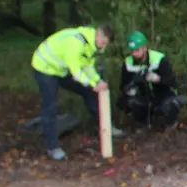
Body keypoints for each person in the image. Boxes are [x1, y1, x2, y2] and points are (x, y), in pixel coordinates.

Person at [31, 23, 120, 160]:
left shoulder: (92, 45)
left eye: (106, 44)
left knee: (90, 93)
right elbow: (76, 72)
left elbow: (87, 66)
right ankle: (53, 147)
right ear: (98, 35)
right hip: (45, 68)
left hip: (61, 69)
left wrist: (97, 81)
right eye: (103, 42)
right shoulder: (75, 43)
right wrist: (92, 85)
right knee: (51, 105)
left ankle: (105, 128)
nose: (104, 46)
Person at [119, 31, 183, 128]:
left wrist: (158, 79)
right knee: (127, 102)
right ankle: (142, 123)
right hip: (142, 96)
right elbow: (123, 84)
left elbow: (172, 81)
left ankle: (170, 123)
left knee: (171, 105)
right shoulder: (128, 63)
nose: (134, 54)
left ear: (145, 48)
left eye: (137, 50)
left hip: (162, 95)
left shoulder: (159, 59)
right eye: (132, 51)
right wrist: (129, 89)